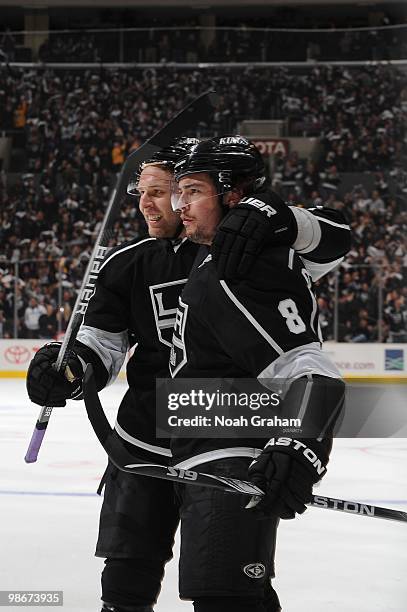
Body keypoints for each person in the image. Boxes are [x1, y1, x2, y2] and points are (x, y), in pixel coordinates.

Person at [26, 136, 350, 612]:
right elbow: (101, 344)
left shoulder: (244, 250)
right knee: (124, 585)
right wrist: (70, 367)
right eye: (144, 193)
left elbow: (333, 241)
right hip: (142, 444)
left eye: (164, 191)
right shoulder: (131, 261)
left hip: (220, 435)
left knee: (228, 587)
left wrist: (275, 213)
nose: (150, 204)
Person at [167, 136, 346, 612]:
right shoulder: (223, 255)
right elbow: (336, 235)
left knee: (226, 600)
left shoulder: (232, 269)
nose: (180, 205)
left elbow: (309, 371)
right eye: (177, 193)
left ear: (231, 194)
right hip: (211, 457)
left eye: (192, 192)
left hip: (228, 461)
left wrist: (299, 443)